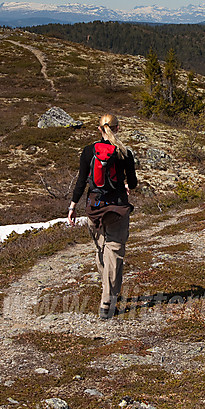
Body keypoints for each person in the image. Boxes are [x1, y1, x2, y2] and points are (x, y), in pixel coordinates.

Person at [68, 114, 138, 320]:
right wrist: (124, 184)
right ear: (117, 128)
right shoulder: (124, 153)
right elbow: (132, 183)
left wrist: (72, 206)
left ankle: (106, 289)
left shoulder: (89, 151)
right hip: (117, 209)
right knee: (114, 251)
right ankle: (107, 300)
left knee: (101, 248)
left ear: (99, 129)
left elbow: (81, 181)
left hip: (94, 208)